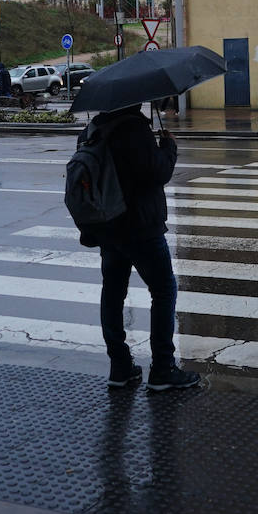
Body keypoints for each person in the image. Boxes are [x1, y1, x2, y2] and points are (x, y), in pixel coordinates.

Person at [80, 103, 198, 392]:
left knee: (113, 293)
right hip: (140, 226)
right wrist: (168, 146)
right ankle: (162, 368)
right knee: (164, 290)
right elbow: (156, 173)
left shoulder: (94, 128)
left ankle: (119, 367)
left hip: (108, 226)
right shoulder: (133, 129)